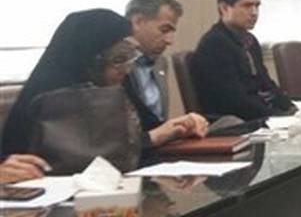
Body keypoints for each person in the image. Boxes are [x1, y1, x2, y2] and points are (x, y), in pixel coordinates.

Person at [1, 9, 205, 157]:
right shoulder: (53, 92)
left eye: (129, 56)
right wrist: (154, 137)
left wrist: (181, 125)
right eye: (118, 58)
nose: (126, 68)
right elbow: (87, 156)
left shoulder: (115, 80)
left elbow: (149, 125)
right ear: (90, 60)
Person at [191, 0, 294, 120]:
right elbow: (235, 101)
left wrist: (293, 110)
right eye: (247, 6)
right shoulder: (215, 43)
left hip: (259, 115)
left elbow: (266, 84)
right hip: (235, 121)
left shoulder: (250, 40)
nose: (254, 12)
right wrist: (278, 117)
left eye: (257, 6)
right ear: (224, 8)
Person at [122, 0, 211, 143]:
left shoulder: (160, 63)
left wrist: (182, 126)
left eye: (172, 32)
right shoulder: (116, 66)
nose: (170, 40)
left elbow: (158, 122)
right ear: (137, 22)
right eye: (164, 30)